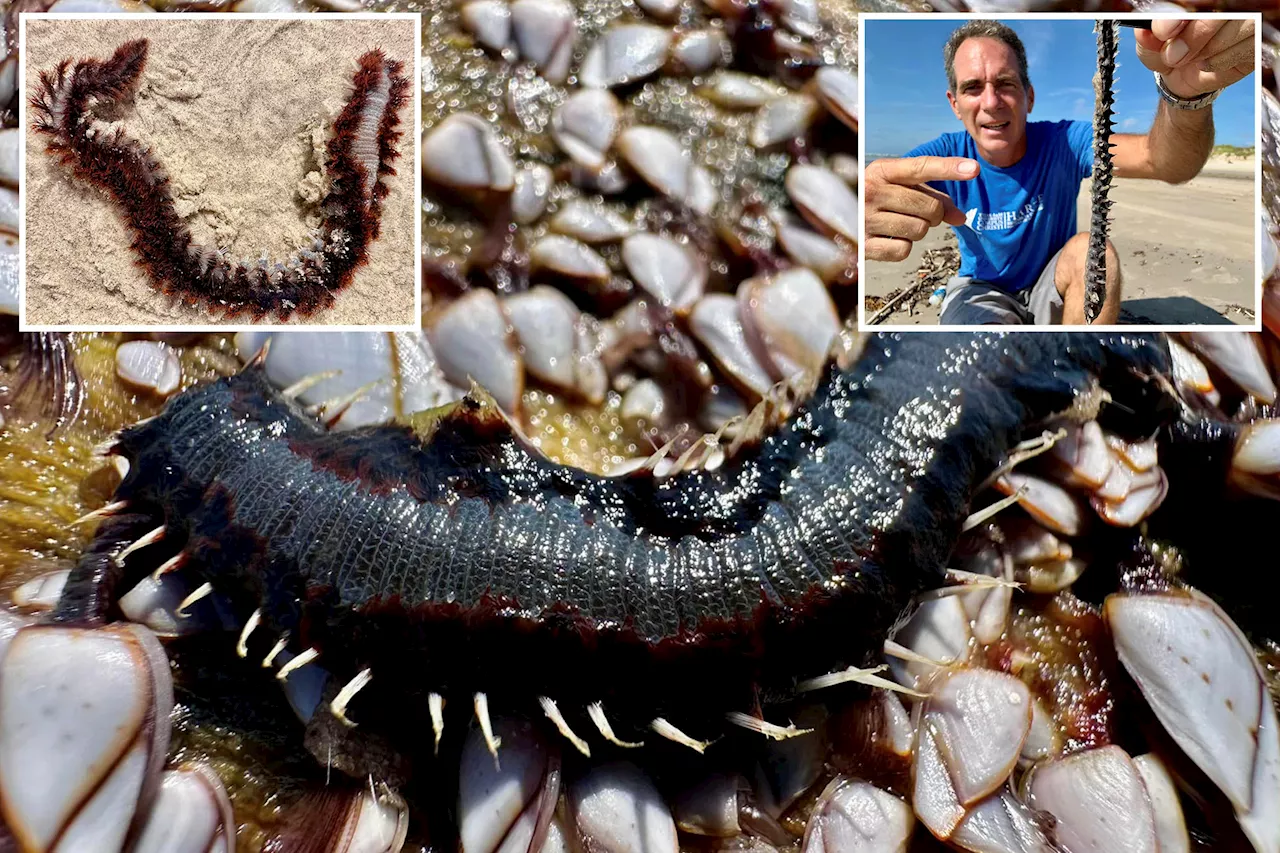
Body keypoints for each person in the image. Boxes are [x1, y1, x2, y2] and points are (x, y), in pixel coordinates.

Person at [863, 19, 1255, 325]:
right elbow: (882, 185)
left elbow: (1164, 161)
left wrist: (1187, 96)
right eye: (972, 88)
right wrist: (859, 203)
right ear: (954, 103)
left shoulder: (1066, 142)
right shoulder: (943, 155)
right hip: (979, 288)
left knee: (1093, 251)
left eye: (1005, 83)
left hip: (1054, 283)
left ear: (1029, 96)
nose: (991, 102)